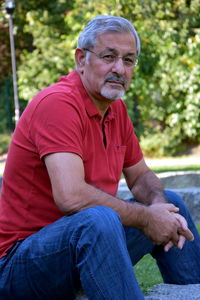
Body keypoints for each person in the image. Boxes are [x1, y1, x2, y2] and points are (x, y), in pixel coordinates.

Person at [0, 15, 199, 300]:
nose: (119, 68)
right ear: (81, 59)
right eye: (109, 56)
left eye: (128, 60)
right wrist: (145, 218)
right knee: (99, 220)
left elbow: (141, 177)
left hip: (78, 246)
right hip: (18, 263)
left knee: (172, 205)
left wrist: (157, 208)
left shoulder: (116, 110)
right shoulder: (58, 104)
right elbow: (71, 198)